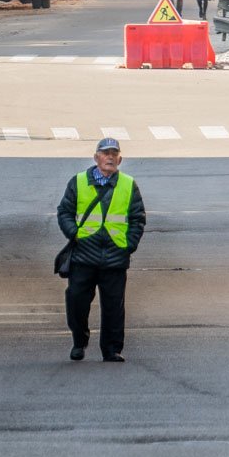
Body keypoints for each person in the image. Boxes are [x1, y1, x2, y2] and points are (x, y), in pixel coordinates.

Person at [56, 137, 147, 363]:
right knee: (76, 301)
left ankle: (112, 349)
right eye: (105, 153)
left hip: (115, 256)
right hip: (84, 255)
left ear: (120, 159)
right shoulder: (78, 182)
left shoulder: (128, 184)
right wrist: (74, 234)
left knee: (114, 307)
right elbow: (65, 212)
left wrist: (129, 245)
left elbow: (138, 218)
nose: (110, 157)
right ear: (96, 157)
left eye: (114, 154)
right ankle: (79, 340)